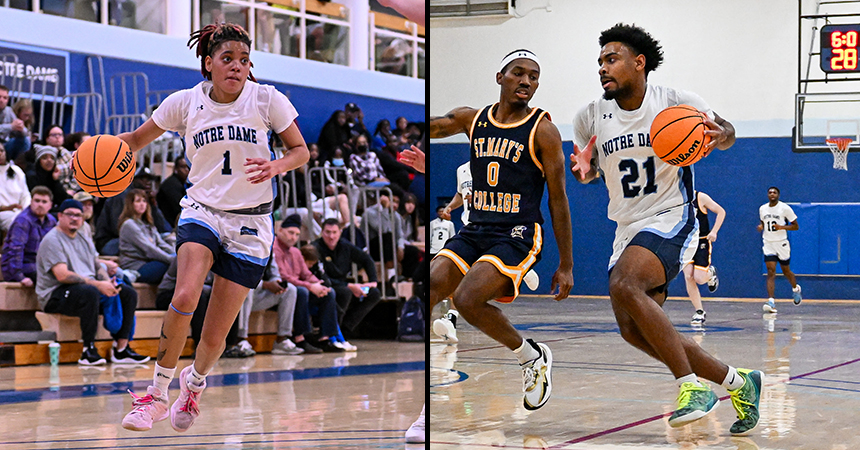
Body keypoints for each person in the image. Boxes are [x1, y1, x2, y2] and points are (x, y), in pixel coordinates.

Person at [568, 24, 762, 433]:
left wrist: (721, 133)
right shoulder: (589, 117)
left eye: (612, 59)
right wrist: (584, 173)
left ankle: (691, 387)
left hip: (671, 216)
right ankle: (739, 382)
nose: (603, 68)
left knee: (625, 284)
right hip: (626, 227)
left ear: (639, 63)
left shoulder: (676, 103)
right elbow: (590, 173)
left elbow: (727, 133)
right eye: (600, 61)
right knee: (634, 331)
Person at [117, 22, 309, 433]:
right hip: (202, 211)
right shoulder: (185, 103)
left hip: (252, 221)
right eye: (227, 59)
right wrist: (99, 149)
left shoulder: (267, 99)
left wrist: (276, 165)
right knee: (185, 293)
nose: (237, 66)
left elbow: (300, 151)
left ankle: (195, 383)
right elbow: (135, 139)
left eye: (244, 60)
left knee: (214, 333)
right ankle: (154, 395)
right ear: (209, 63)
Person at [431, 49, 574, 411]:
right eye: (518, 73)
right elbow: (431, 125)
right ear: (500, 77)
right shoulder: (472, 119)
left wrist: (566, 264)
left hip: (518, 232)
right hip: (477, 227)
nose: (526, 81)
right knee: (431, 284)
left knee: (466, 299)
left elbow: (559, 200)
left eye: (534, 76)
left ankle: (531, 358)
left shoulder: (544, 130)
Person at [35, 199, 149, 365]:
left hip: (85, 288)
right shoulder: (52, 240)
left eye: (78, 215)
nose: (74, 218)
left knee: (128, 293)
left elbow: (95, 264)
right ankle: (88, 350)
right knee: (90, 292)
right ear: (60, 216)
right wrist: (97, 285)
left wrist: (107, 282)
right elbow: (62, 275)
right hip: (55, 294)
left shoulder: (83, 234)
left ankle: (121, 349)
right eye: (70, 214)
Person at [272, 214, 342, 353]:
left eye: (297, 234)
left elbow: (306, 274)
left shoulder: (296, 252)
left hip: (298, 289)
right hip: (281, 290)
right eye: (290, 233)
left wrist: (318, 284)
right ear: (280, 231)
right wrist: (310, 286)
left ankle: (325, 338)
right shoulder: (274, 249)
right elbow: (284, 278)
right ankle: (300, 338)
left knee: (329, 292)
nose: (293, 237)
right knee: (300, 291)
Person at [313, 219, 381, 337]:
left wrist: (373, 281)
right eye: (327, 232)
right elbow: (320, 277)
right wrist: (349, 286)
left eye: (334, 232)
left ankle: (345, 328)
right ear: (322, 233)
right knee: (345, 292)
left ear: (340, 232)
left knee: (374, 293)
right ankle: (332, 332)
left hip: (344, 284)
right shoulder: (316, 248)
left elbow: (366, 259)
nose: (331, 236)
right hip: (326, 285)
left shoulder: (345, 246)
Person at [231, 257, 308, 356]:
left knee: (290, 290)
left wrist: (276, 282)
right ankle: (240, 340)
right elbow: (240, 277)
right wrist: (265, 284)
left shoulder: (269, 248)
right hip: (238, 294)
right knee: (247, 288)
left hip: (258, 296)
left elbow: (274, 273)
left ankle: (282, 340)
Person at [95, 168, 169, 255]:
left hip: (137, 237)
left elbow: (162, 228)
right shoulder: (121, 196)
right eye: (143, 179)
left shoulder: (145, 197)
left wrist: (153, 206)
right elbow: (119, 229)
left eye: (150, 179)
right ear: (133, 179)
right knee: (148, 246)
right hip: (111, 241)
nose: (148, 182)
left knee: (167, 237)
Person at [757, 186, 802, 313]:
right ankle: (771, 301)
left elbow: (796, 226)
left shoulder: (785, 208)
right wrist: (761, 226)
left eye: (774, 192)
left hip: (781, 243)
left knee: (786, 271)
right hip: (768, 243)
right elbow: (763, 222)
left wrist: (781, 227)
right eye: (770, 192)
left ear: (778, 195)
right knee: (771, 271)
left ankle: (795, 288)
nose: (772, 194)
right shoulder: (762, 208)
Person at [118, 188, 176, 284]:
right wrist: (171, 259)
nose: (142, 204)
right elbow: (149, 249)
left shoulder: (148, 224)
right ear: (130, 204)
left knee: (178, 263)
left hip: (150, 262)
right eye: (138, 201)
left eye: (144, 201)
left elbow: (161, 244)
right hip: (137, 267)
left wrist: (176, 255)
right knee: (171, 266)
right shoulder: (129, 225)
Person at [684, 191, 725, 325]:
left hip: (701, 240)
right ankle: (699, 311)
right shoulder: (675, 199)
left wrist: (714, 231)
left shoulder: (700, 197)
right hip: (685, 243)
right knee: (688, 276)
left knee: (699, 278)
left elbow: (721, 211)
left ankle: (711, 274)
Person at [1, 186, 55, 285]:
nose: (40, 204)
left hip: (41, 265)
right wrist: (19, 277)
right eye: (37, 201)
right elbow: (15, 250)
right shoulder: (23, 221)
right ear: (31, 202)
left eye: (44, 202)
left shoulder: (51, 221)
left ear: (50, 205)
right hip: (24, 266)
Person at [0, 144, 30, 233]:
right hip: (3, 213)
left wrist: (26, 210)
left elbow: (25, 195)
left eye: (2, 151)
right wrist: (6, 208)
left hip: (20, 211)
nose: (0, 154)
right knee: (18, 222)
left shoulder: (16, 170)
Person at [156, 155, 190, 227]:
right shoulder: (172, 184)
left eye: (188, 167)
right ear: (175, 169)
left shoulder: (182, 183)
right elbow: (180, 207)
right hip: (166, 225)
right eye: (183, 167)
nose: (186, 170)